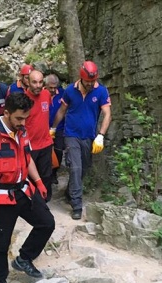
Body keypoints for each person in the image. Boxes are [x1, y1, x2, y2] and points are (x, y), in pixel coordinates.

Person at [0, 92, 55, 283]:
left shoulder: (22, 131)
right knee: (1, 243)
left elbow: (27, 159)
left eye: (26, 118)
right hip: (0, 197)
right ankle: (0, 280)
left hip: (22, 191)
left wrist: (38, 181)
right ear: (7, 113)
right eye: (19, 118)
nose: (23, 122)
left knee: (47, 222)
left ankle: (24, 259)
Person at [51, 61, 112, 220]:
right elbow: (62, 110)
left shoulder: (101, 92)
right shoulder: (70, 90)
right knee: (76, 168)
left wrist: (101, 135)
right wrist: (53, 127)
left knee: (83, 168)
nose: (91, 84)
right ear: (81, 78)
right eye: (88, 82)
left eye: (93, 81)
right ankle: (76, 205)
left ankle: (69, 192)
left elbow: (107, 114)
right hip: (71, 135)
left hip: (89, 137)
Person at [24, 70, 54, 201]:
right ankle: (33, 201)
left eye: (40, 82)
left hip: (46, 142)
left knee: (47, 174)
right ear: (28, 82)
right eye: (34, 82)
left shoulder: (47, 94)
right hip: (30, 145)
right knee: (31, 177)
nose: (37, 85)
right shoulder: (24, 100)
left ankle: (45, 200)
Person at [45, 74, 65, 185]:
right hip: (43, 128)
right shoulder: (41, 94)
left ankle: (54, 173)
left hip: (59, 128)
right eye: (50, 87)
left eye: (55, 87)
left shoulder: (62, 94)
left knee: (58, 151)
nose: (53, 90)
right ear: (46, 85)